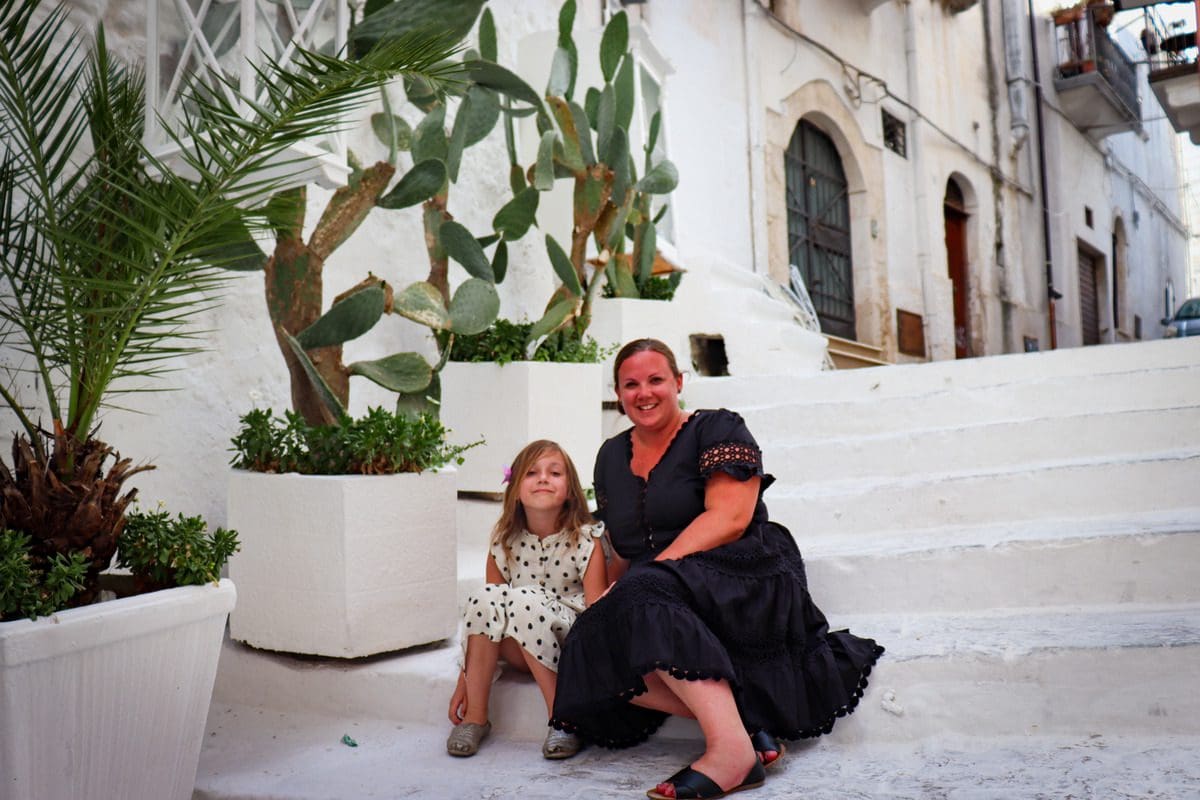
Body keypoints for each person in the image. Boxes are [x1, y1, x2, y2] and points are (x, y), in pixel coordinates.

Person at [550, 339, 884, 800]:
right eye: (631, 384)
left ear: (679, 382)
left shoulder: (717, 428)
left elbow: (730, 518)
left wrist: (647, 579)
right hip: (661, 587)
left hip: (743, 569)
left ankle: (731, 755)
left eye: (655, 380)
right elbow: (622, 545)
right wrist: (608, 600)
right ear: (618, 393)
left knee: (644, 594)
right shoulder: (610, 456)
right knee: (589, 642)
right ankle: (746, 724)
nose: (644, 392)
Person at [446, 439, 608, 760]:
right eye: (532, 473)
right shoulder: (504, 541)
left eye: (554, 472)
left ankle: (563, 719)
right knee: (486, 595)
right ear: (516, 489)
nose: (543, 478)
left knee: (522, 599)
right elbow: (489, 611)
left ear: (571, 489)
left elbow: (596, 611)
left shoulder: (586, 539)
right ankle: (476, 716)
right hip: (517, 646)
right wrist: (464, 680)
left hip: (565, 643)